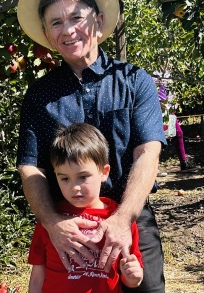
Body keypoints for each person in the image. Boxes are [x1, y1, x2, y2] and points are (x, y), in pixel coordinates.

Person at [16, 0, 166, 293]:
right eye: (56, 22)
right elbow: (31, 166)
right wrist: (53, 224)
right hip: (69, 225)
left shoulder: (134, 81)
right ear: (46, 32)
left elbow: (147, 151)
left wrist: (123, 219)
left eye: (76, 18)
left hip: (130, 217)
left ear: (97, 21)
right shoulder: (40, 96)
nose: (67, 30)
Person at [28, 122, 143, 292]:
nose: (74, 187)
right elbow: (38, 276)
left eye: (83, 177)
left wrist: (134, 276)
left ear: (104, 172)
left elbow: (130, 275)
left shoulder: (120, 219)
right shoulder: (50, 220)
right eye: (65, 179)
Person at [154, 72, 197, 175]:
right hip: (157, 109)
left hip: (168, 109)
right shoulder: (153, 73)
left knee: (178, 133)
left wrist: (173, 103)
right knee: (158, 137)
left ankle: (183, 162)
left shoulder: (168, 73)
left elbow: (171, 91)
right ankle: (154, 167)